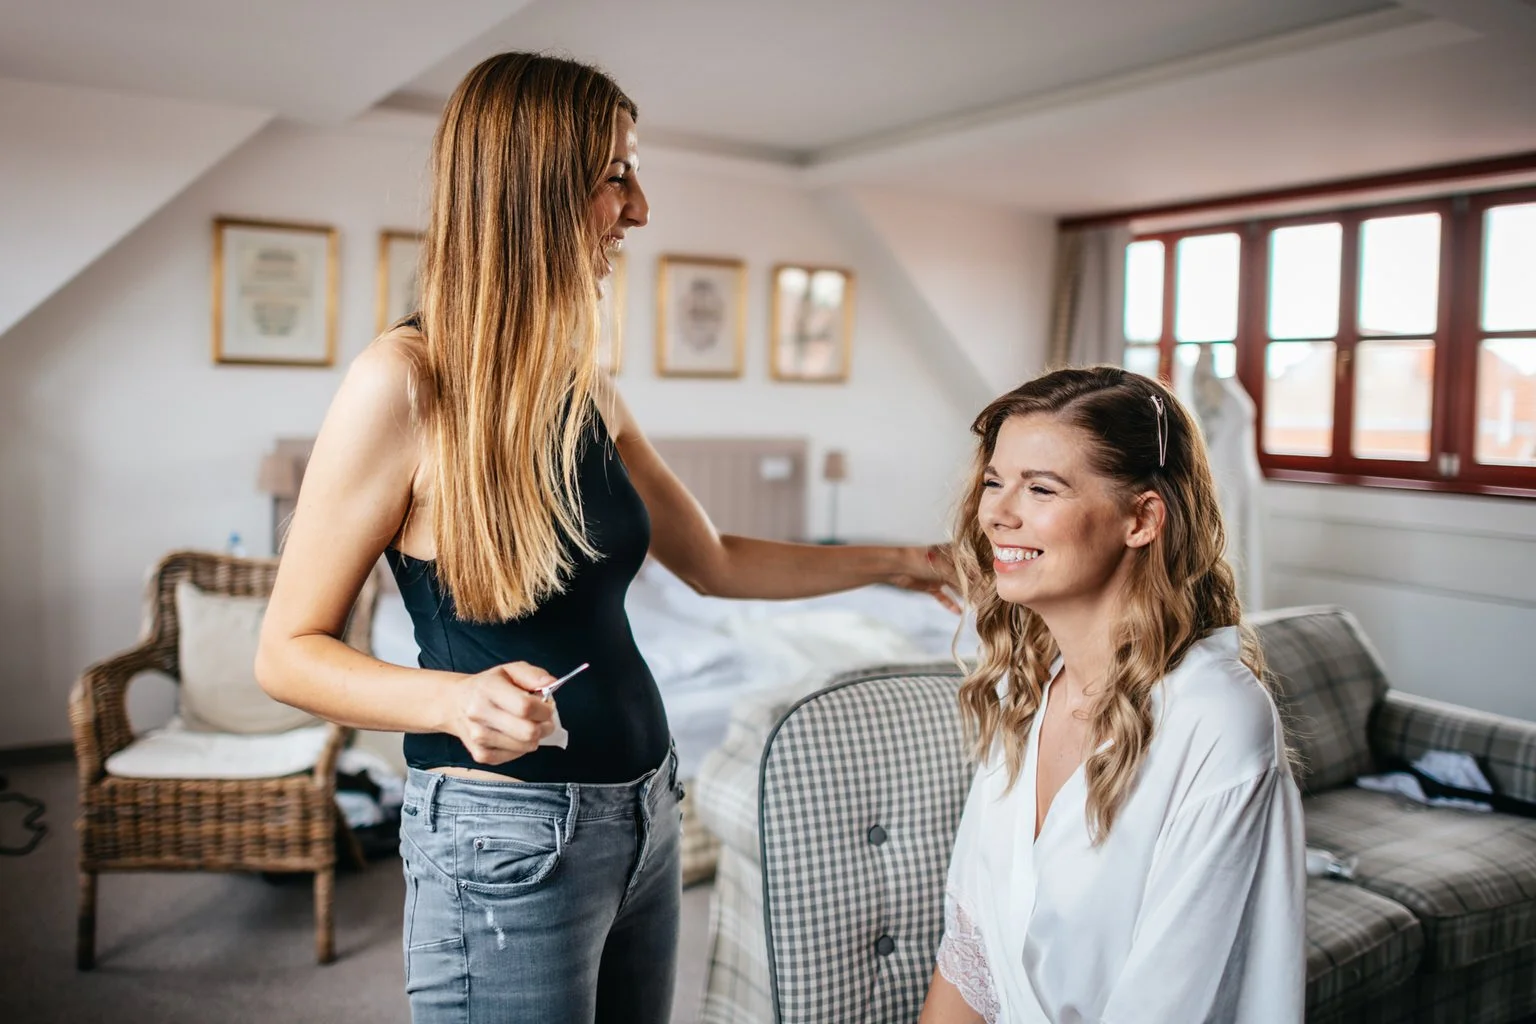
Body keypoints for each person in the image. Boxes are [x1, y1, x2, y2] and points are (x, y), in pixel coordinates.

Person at [255, 52, 952, 1024]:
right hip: (505, 838)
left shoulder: (584, 385)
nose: (641, 206)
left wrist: (905, 564)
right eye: (615, 174)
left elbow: (713, 561)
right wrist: (454, 698)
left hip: (647, 813)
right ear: (535, 188)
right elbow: (286, 652)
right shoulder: (402, 383)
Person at [919, 366, 1304, 1024]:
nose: (997, 513)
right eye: (994, 481)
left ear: (1141, 519)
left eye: (1040, 487)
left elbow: (1169, 1004)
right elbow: (974, 954)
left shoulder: (1216, 722)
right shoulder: (1024, 688)